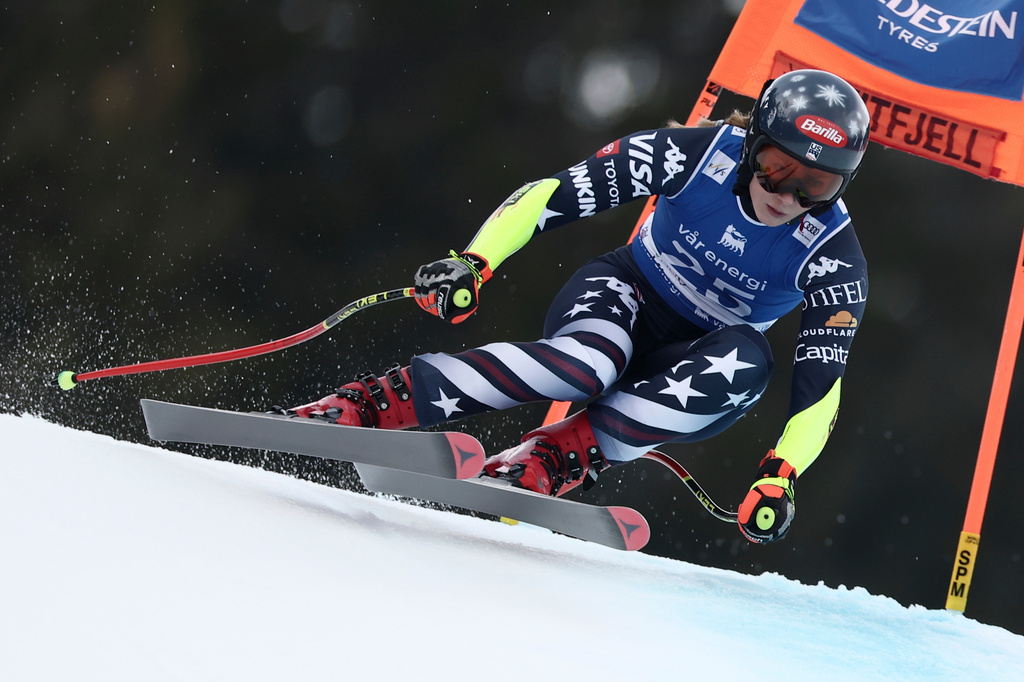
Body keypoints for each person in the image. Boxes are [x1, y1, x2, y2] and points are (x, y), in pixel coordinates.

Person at [284, 69, 871, 545]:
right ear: (751, 144)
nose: (786, 195)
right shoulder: (694, 155)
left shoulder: (833, 254)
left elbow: (821, 388)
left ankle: (556, 453)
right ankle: (376, 402)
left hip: (695, 358)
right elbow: (552, 194)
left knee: (749, 359)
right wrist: (475, 263)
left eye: (815, 186)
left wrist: (781, 475)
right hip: (627, 294)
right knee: (588, 364)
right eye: (776, 167)